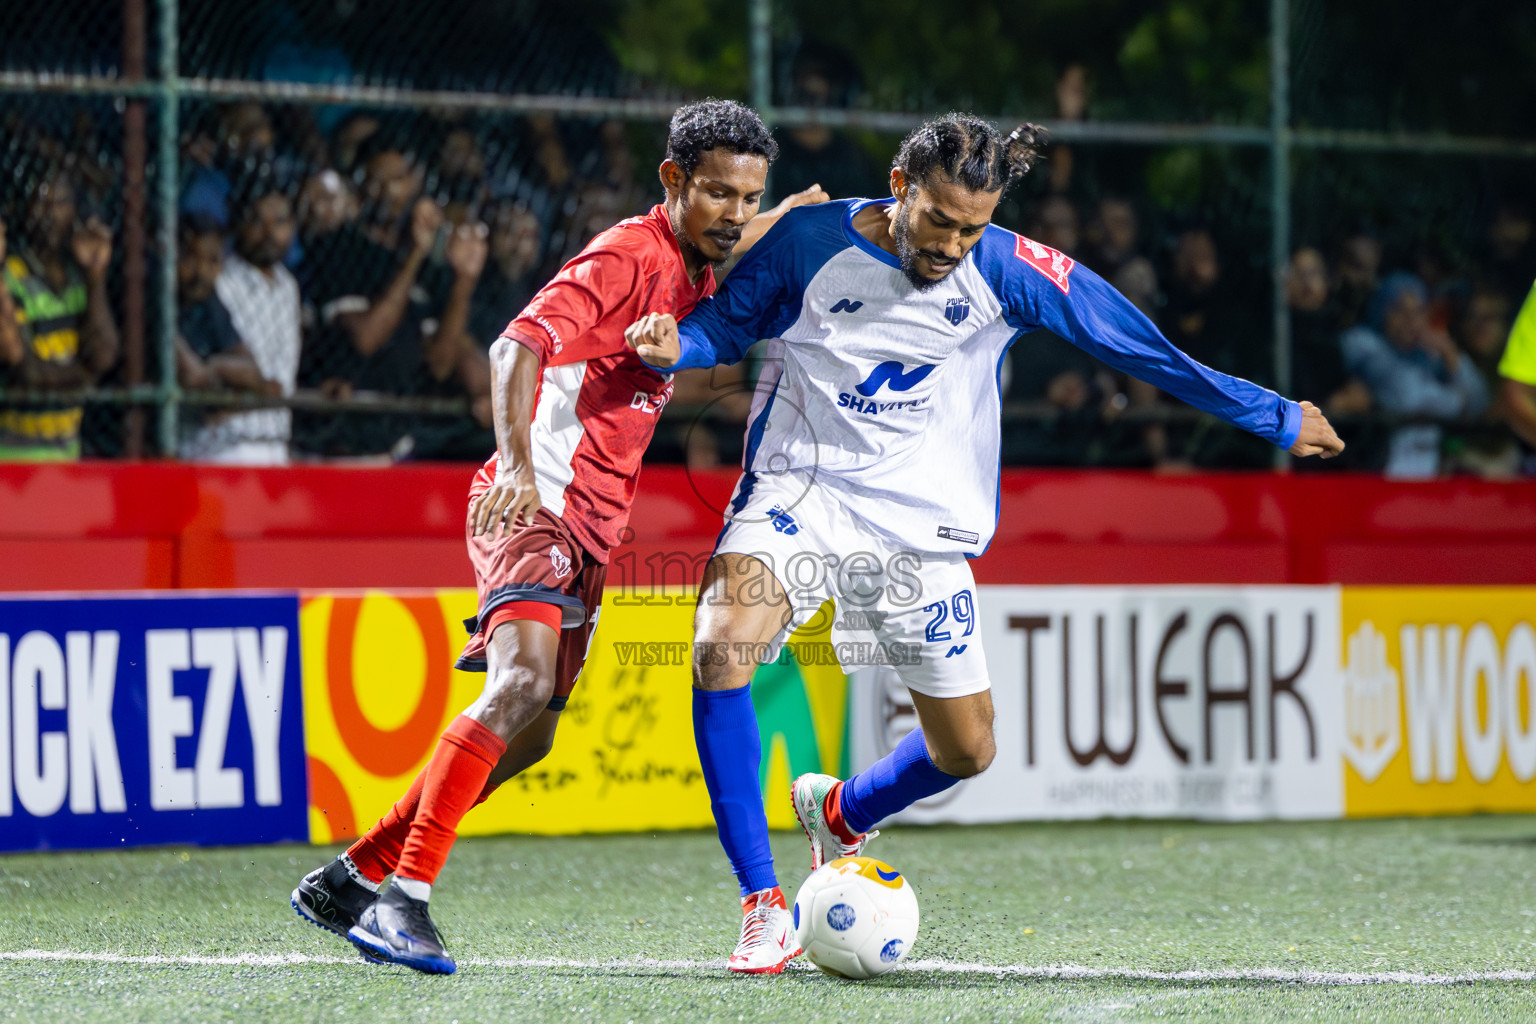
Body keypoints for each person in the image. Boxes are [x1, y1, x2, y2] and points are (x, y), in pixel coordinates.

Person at [625, 113, 1344, 975]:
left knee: (966, 750)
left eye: (973, 226)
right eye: (940, 222)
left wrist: (1271, 414)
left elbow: (1133, 344)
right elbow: (730, 325)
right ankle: (762, 906)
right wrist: (681, 345)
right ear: (900, 189)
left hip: (923, 529)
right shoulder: (812, 243)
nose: (955, 244)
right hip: (801, 492)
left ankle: (844, 812)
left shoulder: (1006, 265)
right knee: (719, 645)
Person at [289, 100, 827, 975]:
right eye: (719, 194)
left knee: (532, 730)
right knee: (522, 682)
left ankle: (358, 872)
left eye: (748, 196)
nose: (735, 212)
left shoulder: (702, 255)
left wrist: (787, 214)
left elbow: (753, 226)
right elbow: (515, 346)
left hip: (591, 531)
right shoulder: (629, 254)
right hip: (535, 503)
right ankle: (403, 901)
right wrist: (514, 467)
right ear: (673, 181)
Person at [0, 168, 119, 460]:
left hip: (66, 456)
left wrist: (95, 276)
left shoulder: (76, 277)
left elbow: (104, 353)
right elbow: (28, 372)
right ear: (21, 208)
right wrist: (85, 376)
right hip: (13, 458)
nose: (50, 213)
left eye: (61, 202)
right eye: (40, 201)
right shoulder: (11, 276)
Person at [184, 180, 302, 464]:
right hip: (222, 445)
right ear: (238, 224)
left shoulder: (288, 285)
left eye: (280, 222)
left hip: (275, 441)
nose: (269, 232)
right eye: (257, 221)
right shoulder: (221, 280)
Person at [1341, 272, 1489, 477]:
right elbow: (1407, 398)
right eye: (1399, 310)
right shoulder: (1362, 344)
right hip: (1375, 478)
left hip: (1428, 480)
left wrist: (1452, 355)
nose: (1410, 320)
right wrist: (1456, 401)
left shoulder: (1428, 356)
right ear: (1381, 311)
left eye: (1418, 311)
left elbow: (1479, 402)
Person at [171, 215, 273, 452]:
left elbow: (253, 373)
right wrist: (227, 383)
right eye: (190, 258)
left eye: (212, 261)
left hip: (194, 436)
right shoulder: (155, 296)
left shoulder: (208, 299)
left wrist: (214, 367)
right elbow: (192, 378)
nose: (201, 271)